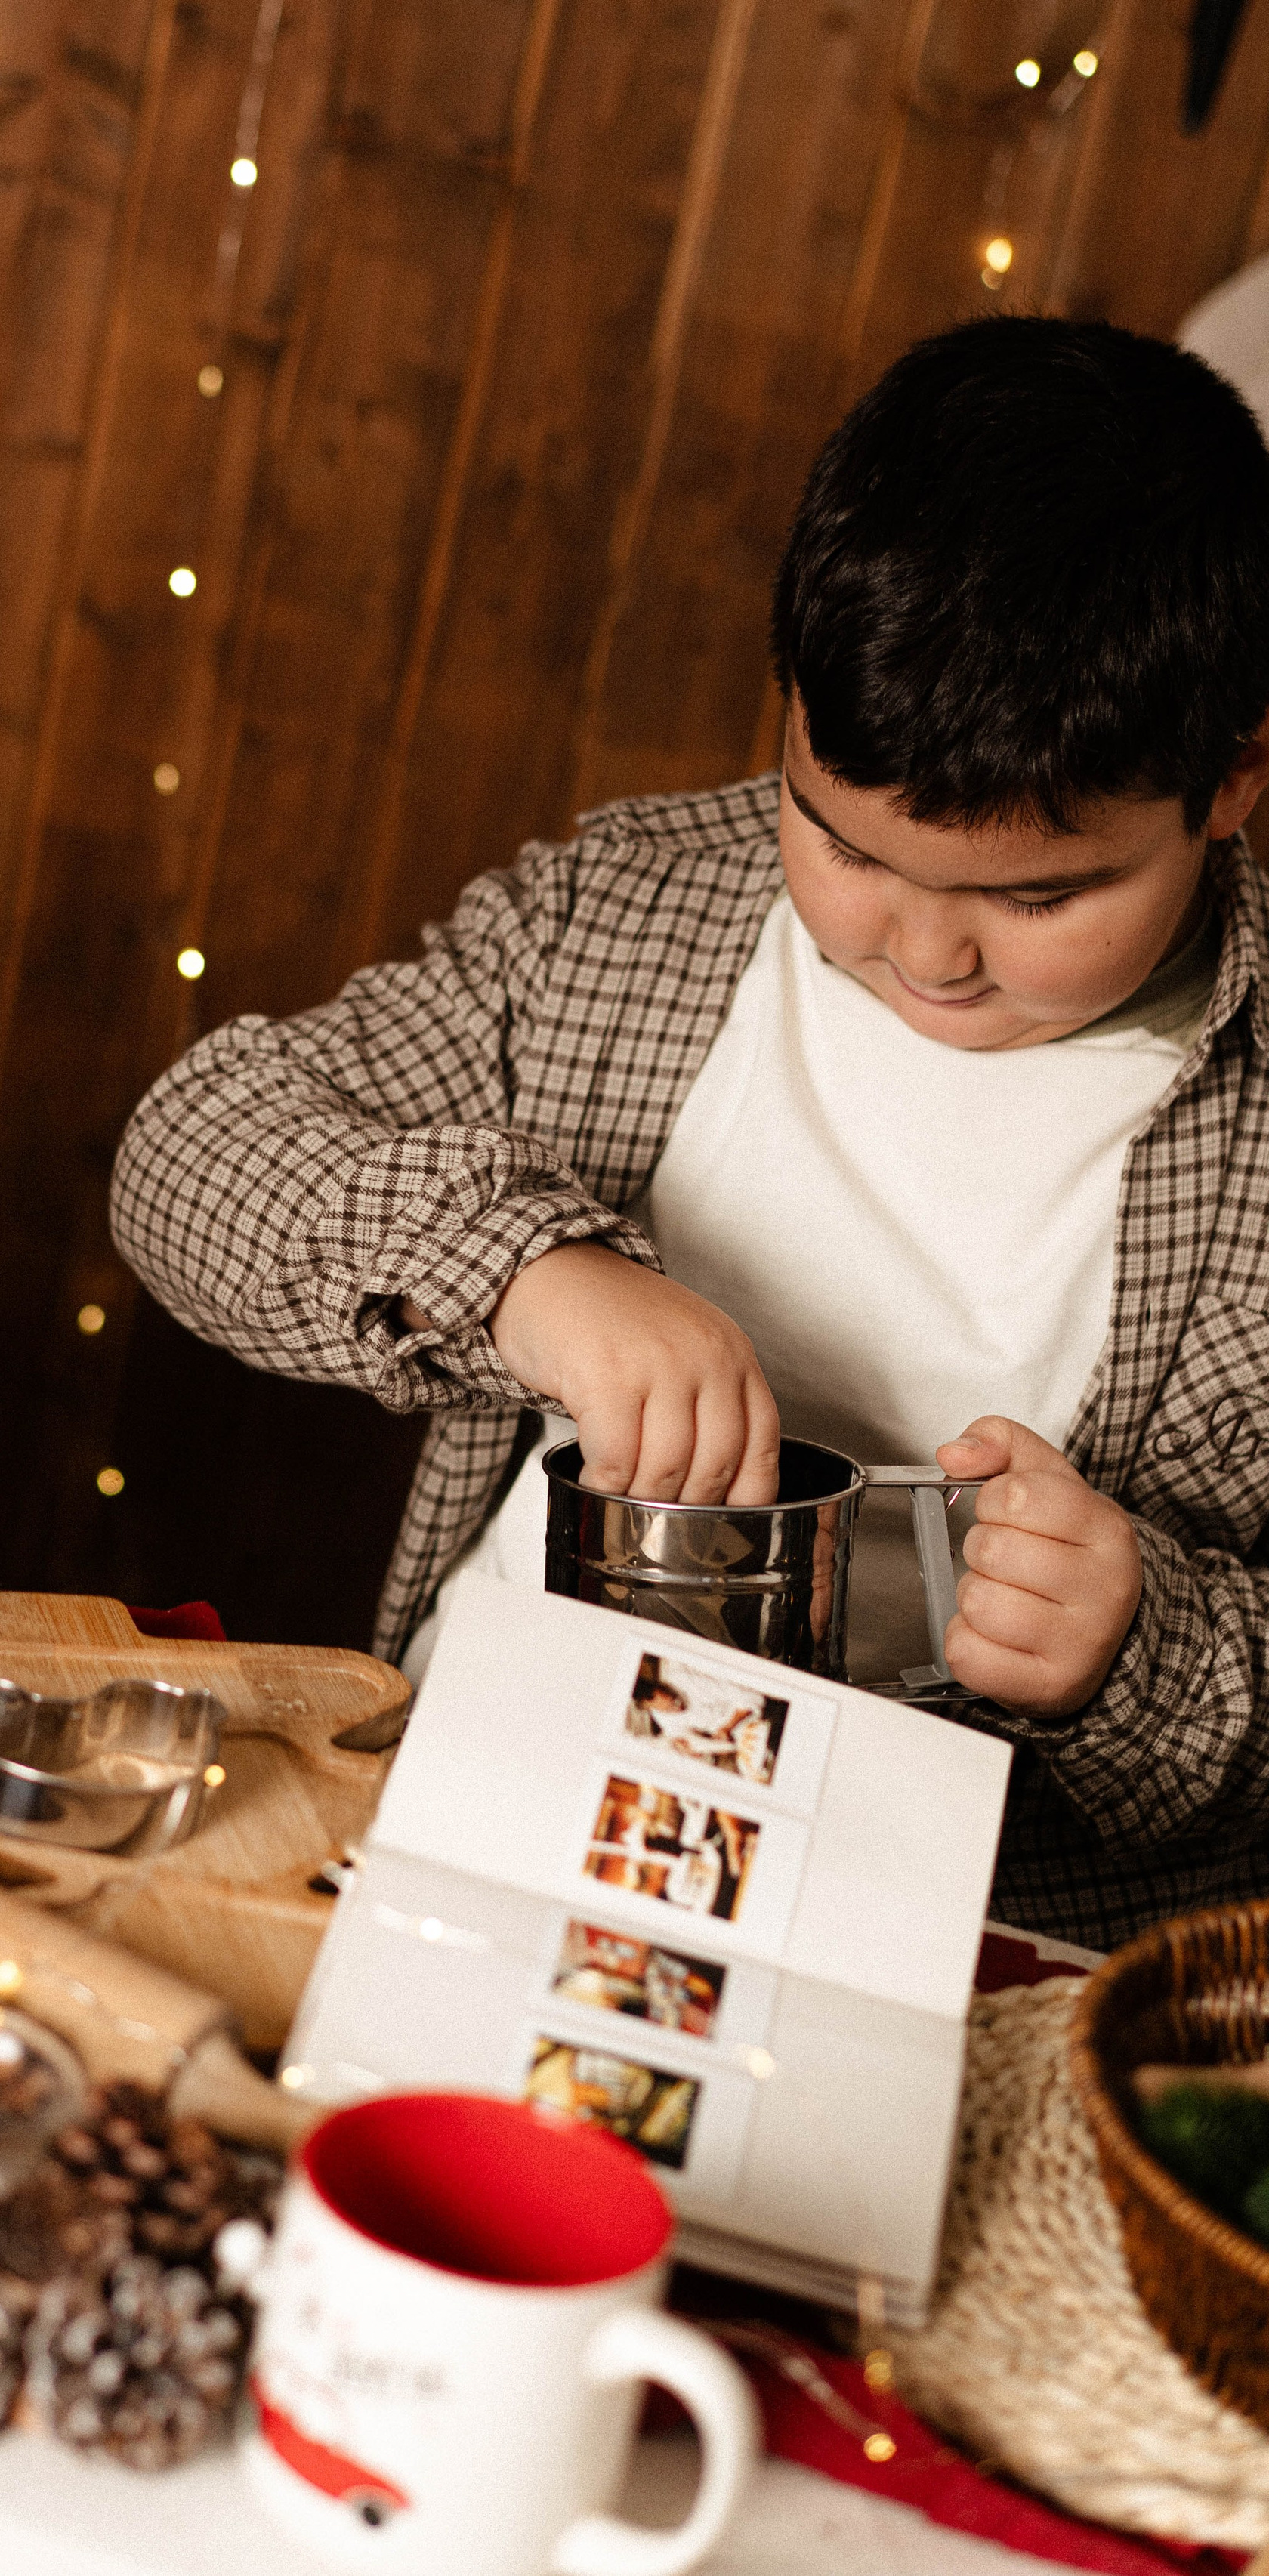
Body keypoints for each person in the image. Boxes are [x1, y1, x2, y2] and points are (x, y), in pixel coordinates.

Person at [111, 315, 1269, 1948]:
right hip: (482, 1815)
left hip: (952, 1954)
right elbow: (192, 1151)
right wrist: (527, 1275)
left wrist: (1142, 1649)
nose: (924, 951)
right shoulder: (620, 912)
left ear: (1231, 779)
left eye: (1036, 894)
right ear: (789, 710)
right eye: (844, 844)